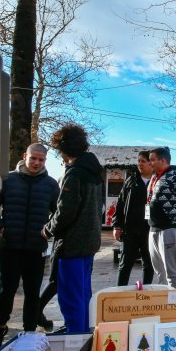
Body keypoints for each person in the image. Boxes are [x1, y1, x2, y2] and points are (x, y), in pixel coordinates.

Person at [0, 143, 60, 351]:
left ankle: (29, 332)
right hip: (10, 247)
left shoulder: (51, 185)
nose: (36, 163)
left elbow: (59, 213)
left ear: (45, 161)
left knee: (33, 292)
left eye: (41, 160)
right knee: (5, 290)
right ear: (24, 156)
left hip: (36, 248)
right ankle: (0, 327)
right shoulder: (8, 180)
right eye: (33, 158)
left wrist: (49, 231)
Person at [44, 124, 103, 333]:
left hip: (72, 243)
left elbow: (65, 211)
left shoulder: (74, 173)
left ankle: (75, 339)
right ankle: (84, 333)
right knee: (83, 293)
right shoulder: (95, 172)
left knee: (70, 296)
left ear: (64, 149)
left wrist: (48, 229)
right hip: (90, 240)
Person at [147, 147, 176, 289]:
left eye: (152, 160)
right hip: (153, 228)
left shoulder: (175, 176)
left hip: (170, 227)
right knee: (159, 271)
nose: (150, 163)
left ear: (163, 160)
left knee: (171, 272)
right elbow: (148, 202)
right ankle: (163, 304)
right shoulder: (155, 178)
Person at [113, 151, 154, 286]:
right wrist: (117, 225)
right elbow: (120, 204)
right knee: (125, 264)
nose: (140, 164)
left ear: (151, 163)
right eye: (139, 161)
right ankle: (119, 292)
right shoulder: (131, 181)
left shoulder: (157, 181)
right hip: (129, 230)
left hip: (149, 230)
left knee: (148, 264)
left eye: (143, 161)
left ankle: (147, 292)